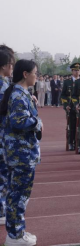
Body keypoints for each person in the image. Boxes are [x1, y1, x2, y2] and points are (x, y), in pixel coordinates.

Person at [1, 59, 41, 246]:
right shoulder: (18, 95)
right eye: (35, 73)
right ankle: (15, 235)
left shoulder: (20, 93)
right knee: (18, 196)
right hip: (21, 154)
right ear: (25, 74)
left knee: (18, 195)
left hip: (22, 152)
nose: (36, 77)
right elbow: (18, 121)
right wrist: (37, 122)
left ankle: (17, 232)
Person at [0, 48, 16, 228]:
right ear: (4, 66)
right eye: (11, 64)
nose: (12, 68)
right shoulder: (3, 87)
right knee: (3, 176)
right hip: (2, 137)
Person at [61, 64, 80, 151]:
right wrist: (66, 105)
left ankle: (78, 142)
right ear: (72, 71)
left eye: (78, 70)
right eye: (75, 70)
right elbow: (63, 95)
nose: (77, 72)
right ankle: (71, 142)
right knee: (72, 125)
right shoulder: (67, 82)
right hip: (70, 106)